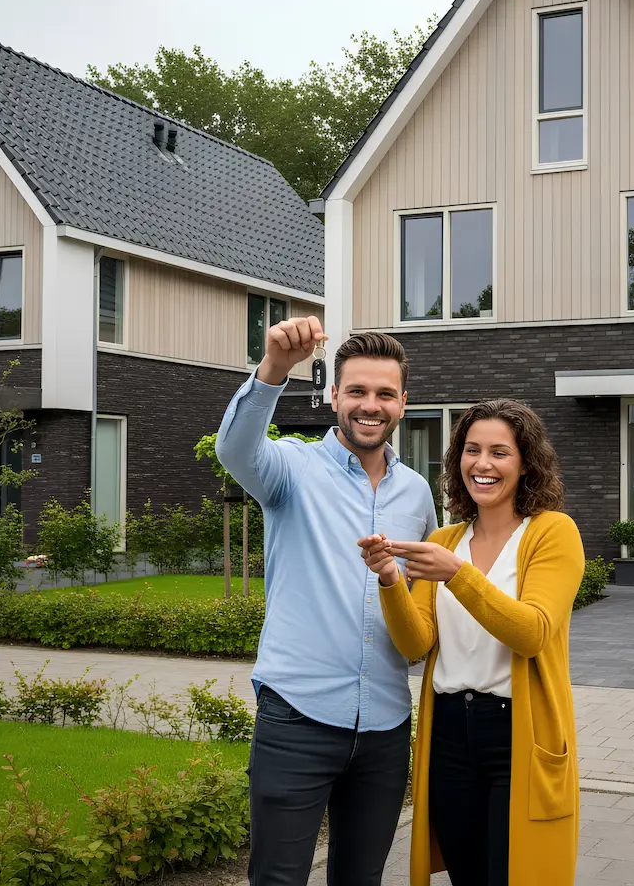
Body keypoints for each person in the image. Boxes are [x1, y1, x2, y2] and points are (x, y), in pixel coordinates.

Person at [215, 317, 437, 886]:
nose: (370, 405)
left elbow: (422, 606)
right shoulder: (291, 468)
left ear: (403, 403)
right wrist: (272, 371)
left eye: (385, 393)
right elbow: (235, 449)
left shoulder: (417, 494)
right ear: (332, 395)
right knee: (279, 879)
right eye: (357, 391)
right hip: (297, 719)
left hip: (386, 727)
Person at [358, 399, 584, 886]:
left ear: (526, 463)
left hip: (516, 733)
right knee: (467, 873)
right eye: (472, 450)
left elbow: (533, 632)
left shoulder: (552, 533)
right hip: (449, 735)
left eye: (500, 452)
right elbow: (416, 644)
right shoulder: (444, 540)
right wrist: (391, 580)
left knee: (514, 873)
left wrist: (459, 576)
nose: (482, 464)